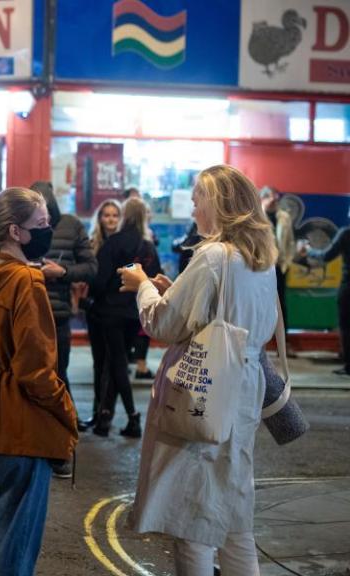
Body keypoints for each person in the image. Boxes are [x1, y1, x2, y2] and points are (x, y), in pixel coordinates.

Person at [121, 165, 279, 576]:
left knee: (191, 513)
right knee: (234, 513)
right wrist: (175, 288)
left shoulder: (212, 256)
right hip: (243, 385)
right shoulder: (260, 257)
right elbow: (226, 315)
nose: (193, 209)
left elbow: (164, 324)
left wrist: (143, 286)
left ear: (220, 204)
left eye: (198, 200)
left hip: (206, 386)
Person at [0, 187, 78, 575]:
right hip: (19, 427)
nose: (48, 230)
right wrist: (66, 410)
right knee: (14, 555)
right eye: (40, 224)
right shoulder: (26, 281)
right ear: (15, 232)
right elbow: (35, 370)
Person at [32, 181, 96, 475]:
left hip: (56, 315)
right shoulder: (20, 222)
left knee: (57, 378)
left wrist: (64, 272)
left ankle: (61, 448)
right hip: (27, 312)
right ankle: (39, 443)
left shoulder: (70, 226)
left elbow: (91, 268)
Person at [90, 198, 159, 438]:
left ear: (124, 216)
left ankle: (132, 417)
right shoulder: (148, 248)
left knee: (116, 364)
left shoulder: (113, 244)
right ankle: (104, 418)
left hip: (110, 311)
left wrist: (94, 298)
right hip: (134, 312)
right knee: (117, 364)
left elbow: (98, 281)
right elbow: (155, 279)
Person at [79, 198, 121, 431]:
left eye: (115, 215)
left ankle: (106, 412)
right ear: (100, 218)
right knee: (99, 362)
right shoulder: (93, 242)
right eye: (107, 215)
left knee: (113, 364)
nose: (111, 219)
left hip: (115, 312)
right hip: (95, 310)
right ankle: (97, 410)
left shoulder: (123, 244)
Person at [299, 224, 350, 376]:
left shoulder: (346, 233)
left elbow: (326, 256)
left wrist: (308, 250)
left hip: (348, 287)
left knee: (347, 326)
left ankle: (349, 366)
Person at [261, 186, 296, 336]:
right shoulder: (255, 217)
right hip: (260, 269)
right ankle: (259, 343)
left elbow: (290, 242)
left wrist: (287, 262)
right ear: (262, 199)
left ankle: (284, 342)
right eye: (270, 198)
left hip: (279, 267)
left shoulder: (284, 217)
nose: (273, 201)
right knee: (258, 304)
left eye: (276, 198)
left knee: (280, 305)